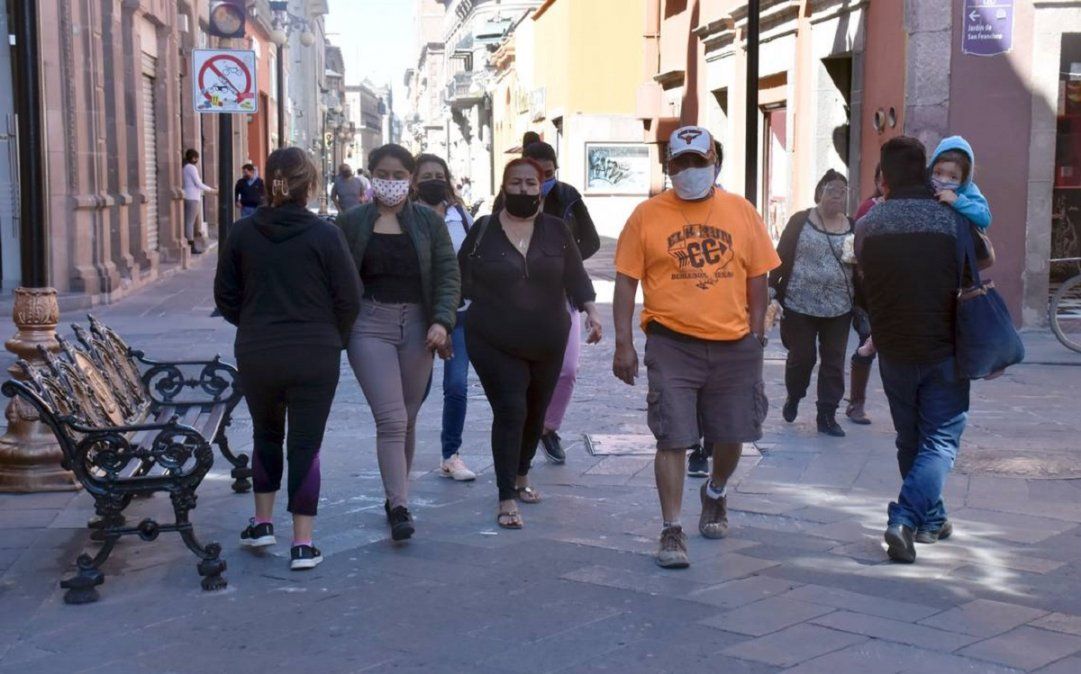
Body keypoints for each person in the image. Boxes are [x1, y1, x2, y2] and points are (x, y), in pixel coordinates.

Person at [613, 126, 779, 569]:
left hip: (734, 344)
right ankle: (671, 528)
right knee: (672, 436)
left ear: (714, 163)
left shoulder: (741, 211)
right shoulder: (646, 216)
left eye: (698, 162)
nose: (689, 170)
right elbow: (626, 282)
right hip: (672, 343)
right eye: (680, 163)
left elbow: (758, 275)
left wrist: (757, 333)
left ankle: (716, 490)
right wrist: (623, 344)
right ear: (668, 167)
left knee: (732, 433)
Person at [214, 147, 361, 571]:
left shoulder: (243, 234)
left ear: (268, 182)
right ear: (310, 186)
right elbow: (349, 298)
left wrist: (253, 322)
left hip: (259, 351)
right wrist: (332, 337)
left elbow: (225, 296)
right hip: (315, 353)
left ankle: (262, 523)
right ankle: (302, 543)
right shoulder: (326, 236)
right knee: (305, 444)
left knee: (266, 434)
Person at [459, 157, 602, 530]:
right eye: (516, 182)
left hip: (548, 339)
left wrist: (591, 311)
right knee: (511, 409)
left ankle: (522, 474)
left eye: (530, 183)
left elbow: (576, 276)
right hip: (493, 339)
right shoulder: (484, 229)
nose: (523, 189)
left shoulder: (556, 230)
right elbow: (457, 278)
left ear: (540, 188)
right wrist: (442, 322)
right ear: (504, 187)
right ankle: (506, 494)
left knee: (536, 413)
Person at [337, 144, 460, 542]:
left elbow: (448, 274)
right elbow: (335, 275)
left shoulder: (428, 223)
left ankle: (395, 496)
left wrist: (442, 320)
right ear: (370, 175)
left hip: (419, 326)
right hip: (369, 324)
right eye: (383, 175)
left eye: (398, 176)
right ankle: (400, 506)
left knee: (407, 418)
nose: (390, 182)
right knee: (391, 419)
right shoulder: (351, 222)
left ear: (410, 179)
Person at [855, 136, 970, 564]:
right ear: (923, 172)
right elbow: (979, 262)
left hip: (894, 348)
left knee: (910, 439)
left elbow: (861, 281)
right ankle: (904, 519)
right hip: (944, 347)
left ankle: (931, 518)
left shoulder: (869, 224)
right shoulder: (949, 218)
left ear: (884, 178)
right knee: (939, 441)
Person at [521, 140, 601, 464]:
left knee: (567, 370)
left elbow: (592, 240)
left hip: (563, 295)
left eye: (549, 173)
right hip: (521, 298)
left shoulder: (568, 196)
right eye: (536, 174)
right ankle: (524, 431)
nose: (543, 181)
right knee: (526, 373)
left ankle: (547, 427)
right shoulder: (510, 197)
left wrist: (565, 261)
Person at [770, 169, 856, 438]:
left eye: (842, 192)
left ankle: (827, 415)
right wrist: (772, 288)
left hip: (839, 306)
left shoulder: (852, 226)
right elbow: (780, 256)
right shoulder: (800, 220)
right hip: (799, 304)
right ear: (820, 193)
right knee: (802, 357)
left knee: (834, 361)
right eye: (831, 190)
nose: (837, 196)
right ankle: (794, 395)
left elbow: (859, 264)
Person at [412, 153, 477, 482]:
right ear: (414, 182)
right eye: (426, 177)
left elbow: (472, 259)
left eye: (439, 175)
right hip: (419, 316)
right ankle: (399, 447)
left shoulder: (461, 216)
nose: (434, 181)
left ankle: (451, 455)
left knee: (456, 386)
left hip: (460, 314)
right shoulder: (405, 218)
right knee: (416, 390)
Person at [847, 164, 883, 425]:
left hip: (894, 294)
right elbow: (855, 252)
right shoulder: (868, 209)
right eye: (881, 179)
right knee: (867, 344)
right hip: (868, 294)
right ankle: (855, 403)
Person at [929, 136, 991, 230]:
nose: (943, 181)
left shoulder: (968, 191)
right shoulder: (925, 185)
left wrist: (957, 201)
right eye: (938, 173)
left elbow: (985, 218)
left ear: (964, 179)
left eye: (953, 177)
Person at [182, 149, 218, 254]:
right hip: (193, 197)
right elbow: (198, 183)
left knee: (190, 221)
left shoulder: (185, 168)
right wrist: (212, 190)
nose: (197, 160)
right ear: (194, 158)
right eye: (196, 158)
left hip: (189, 196)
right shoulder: (191, 168)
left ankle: (191, 243)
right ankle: (191, 245)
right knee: (190, 222)